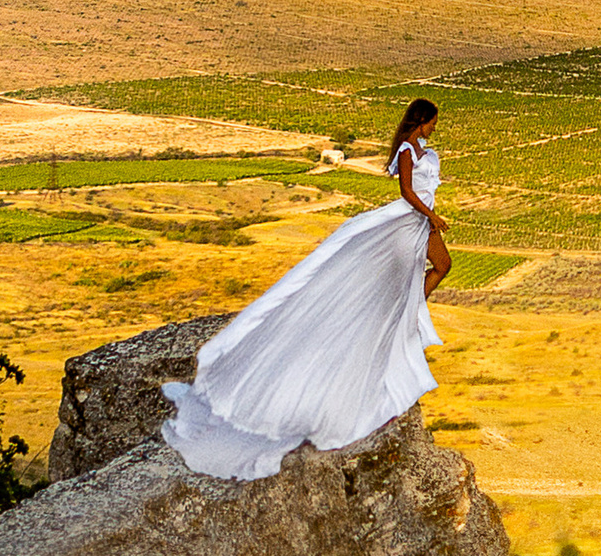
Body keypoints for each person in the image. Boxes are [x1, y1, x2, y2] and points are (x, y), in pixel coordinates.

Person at [160, 99, 451, 477]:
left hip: (419, 222)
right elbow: (407, 192)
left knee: (438, 267)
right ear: (422, 121)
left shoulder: (422, 149)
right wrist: (432, 216)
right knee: (428, 269)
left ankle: (407, 310)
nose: (435, 128)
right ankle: (405, 312)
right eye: (433, 122)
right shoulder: (408, 151)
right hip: (410, 222)